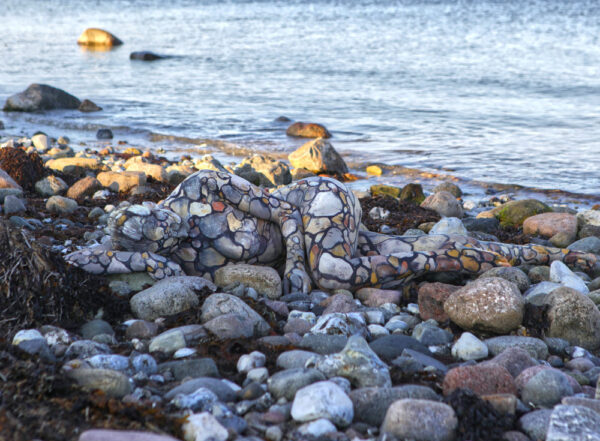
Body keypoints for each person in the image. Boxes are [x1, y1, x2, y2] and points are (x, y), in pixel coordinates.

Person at [66, 169, 596, 293]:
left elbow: (285, 213)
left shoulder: (203, 187)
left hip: (317, 199)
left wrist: (296, 267)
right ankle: (531, 258)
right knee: (399, 249)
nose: (161, 228)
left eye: (154, 218)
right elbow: (98, 259)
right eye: (148, 236)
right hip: (324, 229)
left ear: (157, 207)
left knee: (332, 271)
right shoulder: (174, 257)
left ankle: (451, 260)